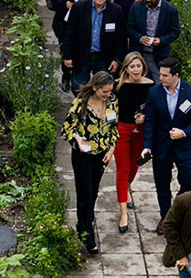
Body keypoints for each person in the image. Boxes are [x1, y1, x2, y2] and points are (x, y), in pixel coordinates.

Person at [141, 57, 191, 233]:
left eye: (164, 75)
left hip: (184, 146)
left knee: (188, 181)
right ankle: (165, 216)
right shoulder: (154, 93)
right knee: (162, 183)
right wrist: (147, 146)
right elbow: (150, 122)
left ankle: (175, 210)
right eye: (160, 74)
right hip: (161, 146)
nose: (160, 78)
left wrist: (184, 132)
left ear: (176, 75)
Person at [60, 70, 118, 255]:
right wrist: (77, 139)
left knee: (93, 191)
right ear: (94, 88)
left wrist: (111, 149)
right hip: (83, 154)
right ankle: (86, 233)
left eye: (110, 91)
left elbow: (114, 127)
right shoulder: (80, 104)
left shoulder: (113, 101)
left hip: (102, 155)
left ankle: (85, 220)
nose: (108, 95)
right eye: (104, 92)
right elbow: (67, 128)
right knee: (85, 193)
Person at [112, 52, 155, 234]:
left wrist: (145, 117)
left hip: (140, 131)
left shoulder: (150, 86)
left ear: (143, 67)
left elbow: (153, 109)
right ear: (126, 68)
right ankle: (123, 213)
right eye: (132, 66)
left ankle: (127, 188)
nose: (136, 70)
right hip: (122, 128)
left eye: (138, 66)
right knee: (122, 169)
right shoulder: (117, 86)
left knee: (134, 166)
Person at [46, 0, 96, 88]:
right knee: (65, 46)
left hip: (82, 16)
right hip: (64, 17)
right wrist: (64, 3)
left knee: (79, 45)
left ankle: (77, 74)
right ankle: (66, 75)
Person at [64, 0, 126, 88]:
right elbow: (69, 33)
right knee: (78, 88)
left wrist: (117, 59)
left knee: (105, 88)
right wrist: (68, 56)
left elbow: (121, 38)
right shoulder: (79, 7)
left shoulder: (116, 11)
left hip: (104, 57)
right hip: (82, 55)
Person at [127, 0, 180, 76]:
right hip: (139, 52)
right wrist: (140, 38)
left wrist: (161, 40)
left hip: (158, 54)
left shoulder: (170, 10)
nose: (148, 0)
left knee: (159, 81)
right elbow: (130, 28)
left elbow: (175, 32)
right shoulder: (136, 7)